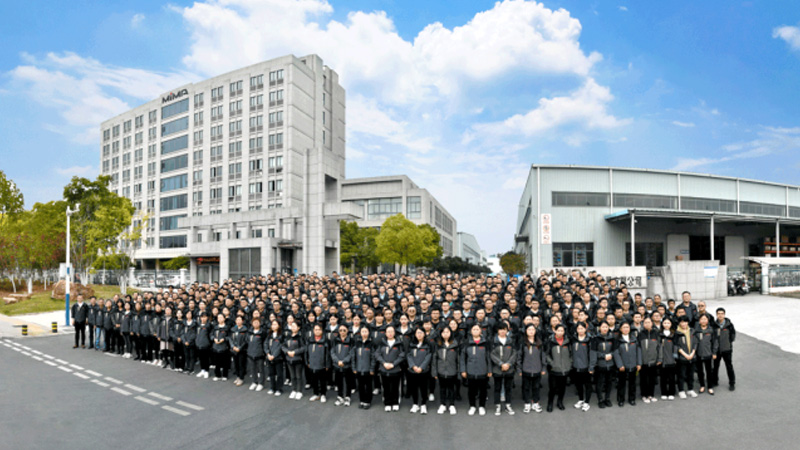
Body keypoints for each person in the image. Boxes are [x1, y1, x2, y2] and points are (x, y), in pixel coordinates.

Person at [461, 323, 491, 416]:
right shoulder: (466, 343)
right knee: (471, 390)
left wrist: (489, 370)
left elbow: (488, 358)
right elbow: (462, 358)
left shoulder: (485, 343)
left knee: (483, 390)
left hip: (483, 370)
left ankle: (482, 406)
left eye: (477, 329)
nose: (475, 331)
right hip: (470, 371)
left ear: (481, 331)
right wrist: (463, 370)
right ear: (471, 331)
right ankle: (472, 406)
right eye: (473, 329)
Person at [376, 325, 405, 412]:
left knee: (395, 387)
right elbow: (377, 354)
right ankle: (387, 403)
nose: (390, 333)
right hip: (384, 369)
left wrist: (393, 364)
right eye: (388, 331)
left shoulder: (399, 343)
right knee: (386, 387)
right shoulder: (382, 343)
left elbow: (402, 355)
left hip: (395, 369)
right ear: (385, 333)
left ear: (394, 333)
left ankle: (395, 402)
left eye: (392, 331)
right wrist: (384, 363)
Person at [518, 324, 546, 414]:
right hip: (526, 369)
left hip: (537, 369)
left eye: (533, 329)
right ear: (526, 331)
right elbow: (519, 357)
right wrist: (519, 369)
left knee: (536, 387)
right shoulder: (523, 343)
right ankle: (527, 404)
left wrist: (543, 368)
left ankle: (535, 403)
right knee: (526, 387)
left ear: (535, 331)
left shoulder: (539, 343)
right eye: (529, 329)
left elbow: (543, 356)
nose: (531, 331)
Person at [490, 322, 516, 416]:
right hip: (497, 368)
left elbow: (514, 353)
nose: (502, 331)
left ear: (507, 330)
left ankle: (508, 405)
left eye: (504, 329)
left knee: (508, 388)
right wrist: (501, 364)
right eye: (500, 329)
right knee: (497, 388)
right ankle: (497, 405)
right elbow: (492, 354)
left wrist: (508, 364)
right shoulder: (493, 341)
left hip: (509, 368)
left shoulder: (511, 341)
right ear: (497, 330)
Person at [432, 326, 459, 415]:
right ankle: (442, 404)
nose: (445, 334)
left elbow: (458, 359)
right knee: (442, 388)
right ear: (441, 334)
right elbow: (434, 359)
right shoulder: (438, 345)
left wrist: (458, 371)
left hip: (452, 370)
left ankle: (451, 405)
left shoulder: (455, 344)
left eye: (447, 332)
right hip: (441, 370)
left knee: (451, 388)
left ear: (451, 333)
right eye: (444, 332)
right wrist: (434, 372)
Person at [614, 322, 641, 407]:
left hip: (633, 364)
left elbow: (638, 351)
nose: (626, 329)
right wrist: (620, 365)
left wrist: (639, 363)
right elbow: (616, 353)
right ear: (620, 329)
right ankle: (621, 400)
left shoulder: (634, 339)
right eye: (624, 327)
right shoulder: (617, 340)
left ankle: (632, 399)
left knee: (632, 383)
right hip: (623, 366)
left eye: (627, 327)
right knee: (621, 384)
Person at [589, 321, 616, 409]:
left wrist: (611, 354)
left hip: (610, 364)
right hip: (600, 365)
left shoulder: (612, 338)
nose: (605, 328)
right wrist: (603, 356)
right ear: (599, 328)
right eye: (603, 327)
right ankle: (600, 399)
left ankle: (607, 398)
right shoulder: (595, 339)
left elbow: (615, 350)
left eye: (606, 327)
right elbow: (593, 353)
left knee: (609, 382)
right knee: (599, 383)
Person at [545, 324, 571, 412]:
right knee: (552, 388)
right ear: (555, 331)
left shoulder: (567, 342)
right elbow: (546, 354)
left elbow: (571, 354)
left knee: (562, 388)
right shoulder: (550, 342)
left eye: (562, 331)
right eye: (558, 330)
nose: (560, 332)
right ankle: (550, 403)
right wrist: (552, 363)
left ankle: (560, 402)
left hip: (564, 369)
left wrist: (569, 363)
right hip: (554, 369)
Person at [406, 327, 433, 414]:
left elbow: (428, 357)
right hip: (413, 371)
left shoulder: (427, 345)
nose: (419, 334)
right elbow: (409, 355)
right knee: (414, 388)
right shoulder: (411, 344)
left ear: (424, 334)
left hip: (423, 371)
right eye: (417, 333)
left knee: (423, 388)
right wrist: (413, 366)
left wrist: (421, 367)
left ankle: (423, 404)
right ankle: (415, 404)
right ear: (415, 334)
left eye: (421, 332)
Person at [638, 317, 661, 403]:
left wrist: (659, 358)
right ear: (643, 324)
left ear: (652, 323)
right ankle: (644, 395)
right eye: (645, 322)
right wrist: (639, 361)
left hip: (653, 360)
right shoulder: (640, 334)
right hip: (643, 361)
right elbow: (638, 348)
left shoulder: (656, 333)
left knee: (652, 379)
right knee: (643, 379)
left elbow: (659, 347)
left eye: (649, 322)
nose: (647, 324)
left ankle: (651, 395)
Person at [353, 326, 376, 409]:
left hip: (368, 369)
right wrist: (354, 368)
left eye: (366, 331)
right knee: (360, 386)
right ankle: (362, 400)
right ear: (360, 333)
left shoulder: (371, 343)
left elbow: (373, 357)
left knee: (368, 386)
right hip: (359, 368)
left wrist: (372, 368)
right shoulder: (357, 343)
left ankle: (367, 401)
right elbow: (353, 356)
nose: (364, 333)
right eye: (362, 331)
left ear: (369, 332)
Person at [713, 308, 736, 391]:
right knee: (715, 367)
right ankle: (715, 381)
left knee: (729, 366)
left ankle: (732, 383)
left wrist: (728, 343)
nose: (720, 315)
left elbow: (732, 335)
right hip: (717, 350)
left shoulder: (729, 325)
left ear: (724, 314)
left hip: (727, 349)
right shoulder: (714, 325)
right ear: (716, 315)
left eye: (722, 313)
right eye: (718, 313)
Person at [694, 314, 718, 395]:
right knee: (700, 371)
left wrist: (714, 352)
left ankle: (710, 387)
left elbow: (715, 342)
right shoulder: (696, 331)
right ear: (699, 321)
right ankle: (702, 385)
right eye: (702, 319)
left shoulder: (711, 330)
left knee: (709, 371)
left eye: (705, 319)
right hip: (699, 354)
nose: (703, 321)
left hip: (708, 354)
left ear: (708, 321)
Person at [306, 323, 330, 403]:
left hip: (322, 364)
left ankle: (323, 394)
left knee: (323, 380)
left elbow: (327, 354)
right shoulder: (310, 340)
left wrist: (327, 364)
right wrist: (307, 361)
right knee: (314, 380)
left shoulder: (325, 340)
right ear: (313, 331)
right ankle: (315, 394)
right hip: (312, 363)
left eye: (319, 330)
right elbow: (306, 352)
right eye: (316, 330)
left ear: (322, 331)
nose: (317, 331)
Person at [675, 317, 698, 399]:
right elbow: (676, 345)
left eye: (685, 322)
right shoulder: (677, 332)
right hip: (682, 357)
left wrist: (692, 353)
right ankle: (681, 390)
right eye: (682, 322)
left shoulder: (692, 331)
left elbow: (695, 343)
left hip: (692, 356)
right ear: (679, 323)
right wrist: (685, 355)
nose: (684, 324)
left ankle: (690, 389)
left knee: (691, 374)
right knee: (681, 375)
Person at [331, 325, 354, 406]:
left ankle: (348, 397)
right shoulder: (335, 340)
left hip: (347, 365)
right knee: (339, 381)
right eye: (340, 330)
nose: (342, 332)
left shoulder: (351, 340)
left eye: (344, 330)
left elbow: (351, 353)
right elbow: (332, 352)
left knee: (348, 382)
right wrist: (337, 361)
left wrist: (344, 361)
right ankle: (340, 396)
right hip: (337, 365)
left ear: (347, 330)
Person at [571, 322, 592, 411]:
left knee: (587, 385)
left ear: (585, 329)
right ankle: (581, 399)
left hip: (586, 366)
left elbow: (591, 354)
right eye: (578, 328)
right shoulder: (573, 339)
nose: (580, 330)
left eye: (582, 328)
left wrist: (591, 366)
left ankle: (587, 402)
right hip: (576, 366)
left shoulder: (589, 339)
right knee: (578, 384)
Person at [283, 321, 305, 399]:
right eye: (292, 326)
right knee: (292, 376)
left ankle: (299, 391)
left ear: (298, 328)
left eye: (294, 326)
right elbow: (283, 346)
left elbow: (303, 347)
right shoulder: (288, 336)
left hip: (298, 359)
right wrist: (287, 351)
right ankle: (294, 390)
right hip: (289, 359)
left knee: (298, 376)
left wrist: (295, 352)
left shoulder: (300, 337)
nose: (293, 328)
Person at [265, 320, 284, 396]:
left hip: (278, 358)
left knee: (279, 374)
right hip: (269, 357)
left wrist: (274, 355)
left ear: (279, 326)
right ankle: (272, 388)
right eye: (272, 324)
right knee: (271, 374)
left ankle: (279, 389)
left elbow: (280, 347)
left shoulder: (281, 335)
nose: (273, 326)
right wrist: (268, 353)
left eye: (275, 324)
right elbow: (265, 344)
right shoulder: (269, 335)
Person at [247, 317, 266, 391]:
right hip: (250, 353)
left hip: (259, 354)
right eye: (254, 322)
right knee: (253, 369)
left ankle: (261, 383)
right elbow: (247, 341)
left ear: (260, 323)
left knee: (261, 369)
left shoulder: (262, 332)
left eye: (257, 322)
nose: (255, 324)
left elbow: (264, 343)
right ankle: (254, 382)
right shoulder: (249, 332)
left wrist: (263, 352)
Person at [659, 318, 677, 400]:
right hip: (662, 360)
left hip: (671, 359)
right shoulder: (659, 334)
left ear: (671, 324)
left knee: (671, 378)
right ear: (662, 324)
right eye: (665, 323)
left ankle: (671, 392)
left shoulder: (673, 334)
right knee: (663, 378)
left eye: (668, 323)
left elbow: (676, 346)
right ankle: (664, 393)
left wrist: (675, 357)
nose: (666, 324)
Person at [229, 315, 249, 386]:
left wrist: (239, 348)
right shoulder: (233, 329)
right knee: (236, 364)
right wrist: (232, 346)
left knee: (241, 364)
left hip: (242, 350)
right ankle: (237, 376)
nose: (238, 321)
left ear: (242, 321)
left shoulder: (245, 329)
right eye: (237, 320)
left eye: (240, 320)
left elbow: (246, 341)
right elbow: (230, 339)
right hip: (234, 350)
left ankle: (241, 378)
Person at [211, 313, 230, 381]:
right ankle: (217, 375)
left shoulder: (227, 327)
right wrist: (214, 338)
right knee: (217, 362)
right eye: (218, 318)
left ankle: (225, 375)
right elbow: (211, 334)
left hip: (224, 347)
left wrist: (224, 339)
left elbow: (229, 337)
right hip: (216, 347)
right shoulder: (215, 327)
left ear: (224, 318)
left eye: (221, 317)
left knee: (225, 362)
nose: (219, 319)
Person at [195, 313, 213, 379]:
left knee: (206, 358)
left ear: (207, 318)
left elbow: (210, 335)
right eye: (202, 317)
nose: (203, 318)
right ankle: (202, 370)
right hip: (199, 344)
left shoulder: (209, 326)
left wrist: (209, 343)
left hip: (206, 345)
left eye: (205, 317)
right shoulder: (198, 325)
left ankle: (206, 371)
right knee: (201, 358)